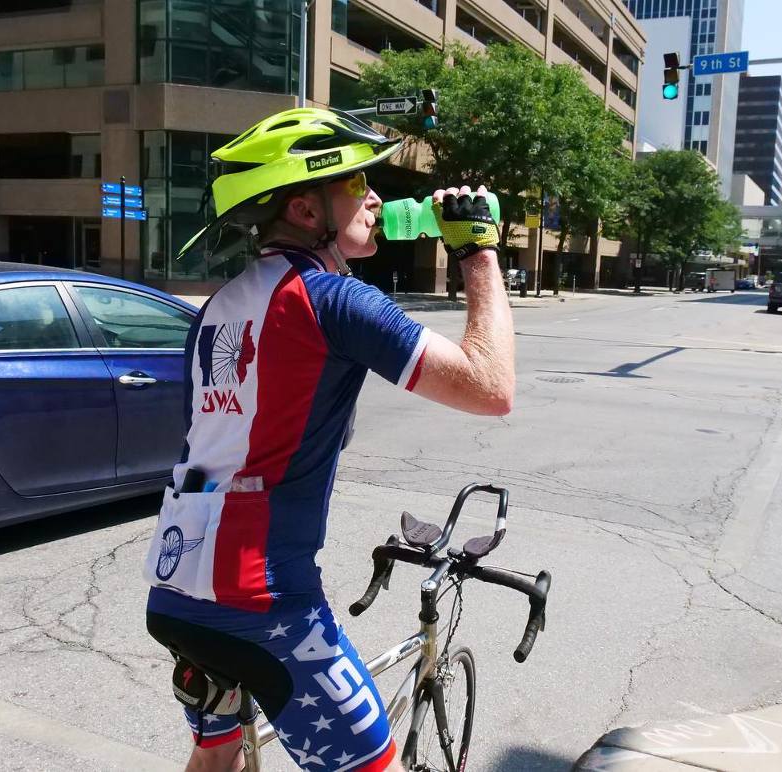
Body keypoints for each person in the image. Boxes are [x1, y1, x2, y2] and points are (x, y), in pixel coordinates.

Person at [141, 107, 514, 772]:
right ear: (305, 210)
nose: (375, 198)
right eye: (356, 183)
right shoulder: (333, 300)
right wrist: (478, 252)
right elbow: (491, 388)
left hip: (173, 586)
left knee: (218, 755)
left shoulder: (220, 306)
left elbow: (214, 450)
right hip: (262, 601)